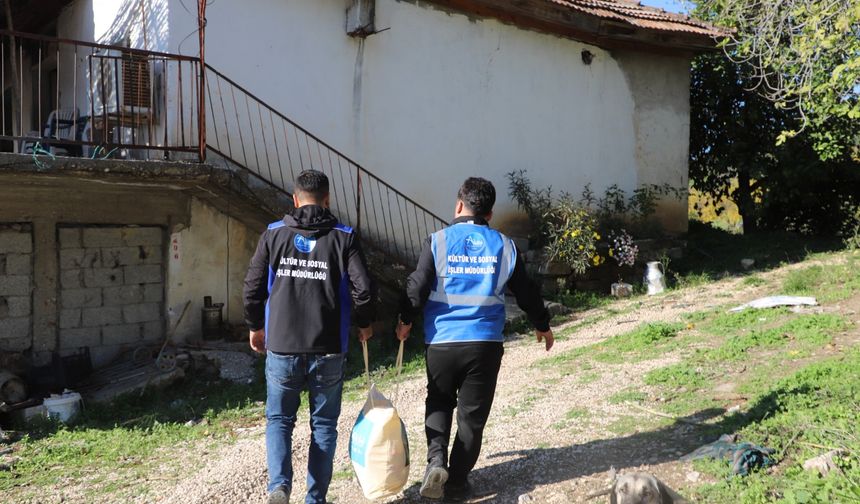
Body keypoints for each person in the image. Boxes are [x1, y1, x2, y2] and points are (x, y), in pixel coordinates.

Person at [396, 177, 554, 501]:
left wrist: (405, 320)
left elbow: (417, 286)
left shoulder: (438, 241)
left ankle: (436, 461)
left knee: (439, 400)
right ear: (490, 214)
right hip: (484, 344)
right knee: (472, 417)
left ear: (458, 205)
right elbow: (526, 291)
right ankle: (455, 482)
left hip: (441, 342)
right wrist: (542, 324)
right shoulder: (504, 246)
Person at [243, 169, 376, 504]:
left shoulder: (274, 234)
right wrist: (364, 323)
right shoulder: (344, 237)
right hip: (328, 348)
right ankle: (314, 500)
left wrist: (255, 326)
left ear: (294, 198)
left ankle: (279, 488)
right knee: (325, 427)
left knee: (279, 420)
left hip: (282, 346)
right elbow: (365, 291)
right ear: (327, 200)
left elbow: (252, 288)